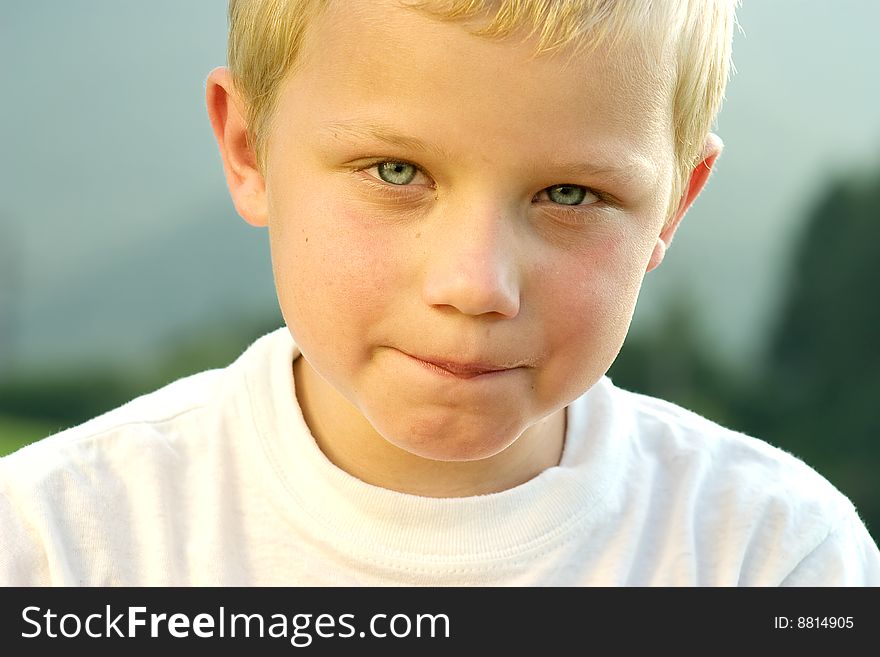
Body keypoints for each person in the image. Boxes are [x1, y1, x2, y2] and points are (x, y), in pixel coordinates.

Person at [1, 0, 878, 586]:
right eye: (396, 171)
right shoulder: (58, 544)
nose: (475, 285)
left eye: (570, 195)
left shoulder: (775, 560)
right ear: (249, 148)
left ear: (672, 207)